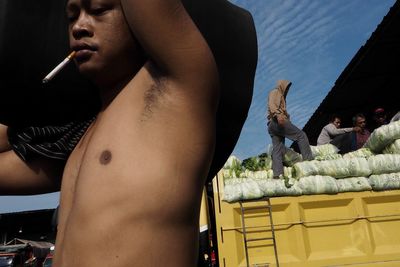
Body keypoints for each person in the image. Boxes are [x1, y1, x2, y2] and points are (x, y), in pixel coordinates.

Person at [0, 0, 257, 266]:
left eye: (98, 10)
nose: (79, 26)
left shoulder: (179, 88)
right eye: (71, 17)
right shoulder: (76, 141)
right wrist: (19, 104)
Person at [267, 80, 313, 179]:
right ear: (282, 86)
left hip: (271, 125)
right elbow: (272, 104)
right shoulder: (276, 92)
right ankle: (309, 162)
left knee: (278, 148)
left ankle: (277, 174)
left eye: (288, 88)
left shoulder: (282, 97)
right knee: (301, 136)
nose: (287, 90)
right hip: (277, 121)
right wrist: (278, 115)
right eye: (286, 87)